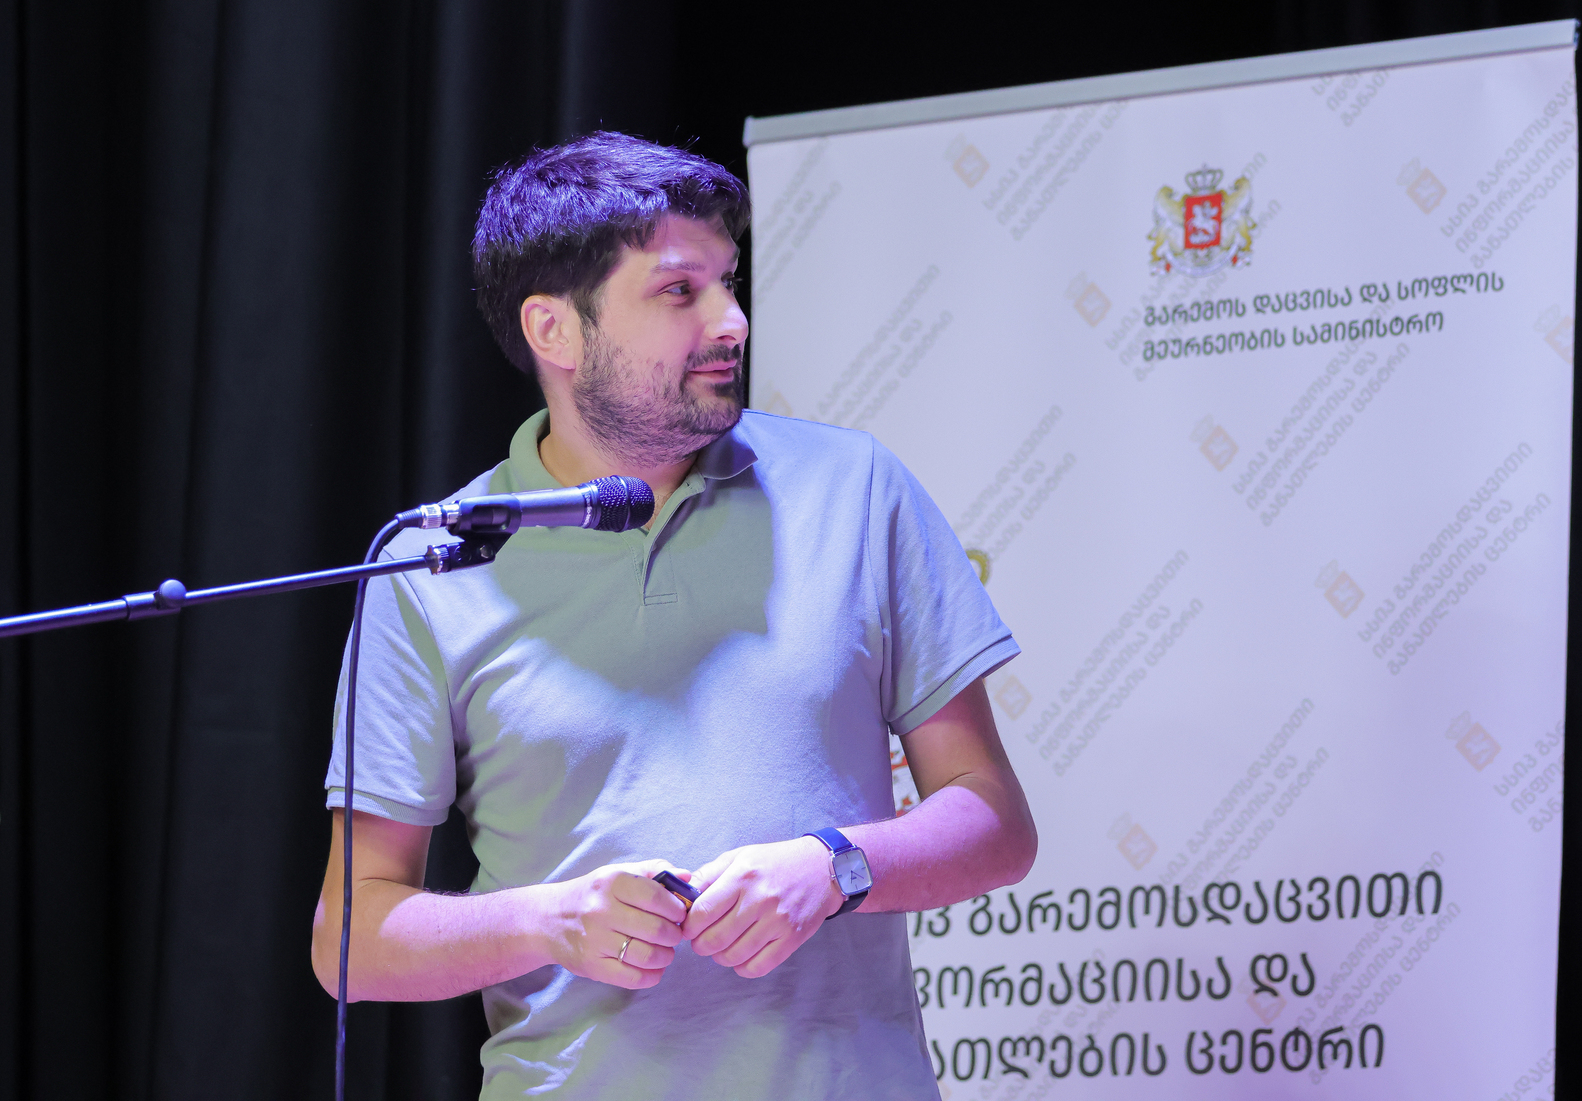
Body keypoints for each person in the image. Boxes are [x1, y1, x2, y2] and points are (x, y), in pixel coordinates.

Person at [309, 131, 1037, 1099]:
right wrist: (549, 920)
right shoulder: (432, 564)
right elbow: (351, 937)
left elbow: (994, 821)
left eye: (728, 281)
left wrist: (837, 865)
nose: (733, 320)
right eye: (680, 290)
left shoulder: (857, 488)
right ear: (554, 330)